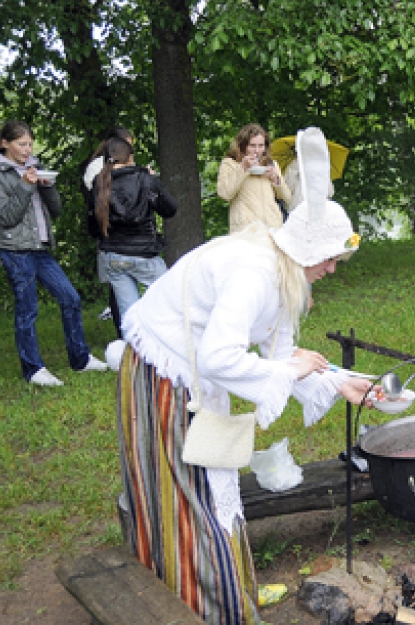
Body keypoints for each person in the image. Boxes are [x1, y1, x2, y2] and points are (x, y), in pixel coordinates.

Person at [117, 194, 374, 624]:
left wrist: (339, 381)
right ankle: (201, 606)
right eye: (329, 259)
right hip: (165, 369)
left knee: (216, 490)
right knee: (190, 492)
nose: (332, 268)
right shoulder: (254, 273)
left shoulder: (284, 271)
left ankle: (230, 590)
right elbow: (222, 358)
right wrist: (290, 371)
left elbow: (282, 352)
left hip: (196, 369)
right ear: (307, 250)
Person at [0, 121, 108, 386]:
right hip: (15, 249)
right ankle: (33, 370)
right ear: (5, 144)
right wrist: (26, 185)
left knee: (70, 298)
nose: (27, 149)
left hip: (40, 247)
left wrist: (46, 185)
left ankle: (81, 359)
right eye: (21, 144)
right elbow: (7, 216)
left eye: (30, 144)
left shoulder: (34, 166)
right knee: (27, 309)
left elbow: (55, 211)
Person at [87, 136, 177, 320]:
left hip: (113, 257)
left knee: (130, 317)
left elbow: (93, 228)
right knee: (172, 303)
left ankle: (135, 346)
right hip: (144, 253)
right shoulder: (145, 178)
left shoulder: (99, 183)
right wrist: (155, 182)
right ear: (130, 157)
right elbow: (170, 209)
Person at [217, 123, 291, 233]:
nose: (257, 150)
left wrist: (276, 180)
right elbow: (224, 193)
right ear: (243, 145)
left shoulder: (271, 164)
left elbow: (288, 198)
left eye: (261, 146)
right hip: (246, 230)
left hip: (272, 229)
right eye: (252, 145)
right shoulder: (230, 163)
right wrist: (243, 168)